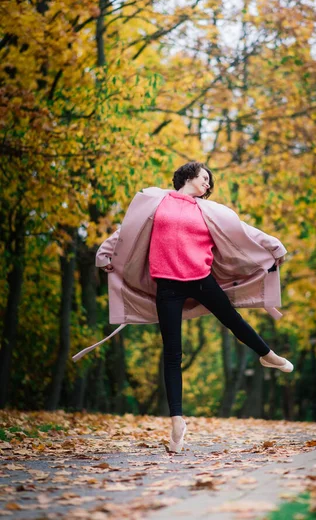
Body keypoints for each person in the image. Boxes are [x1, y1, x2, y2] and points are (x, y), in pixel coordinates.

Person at [73, 162, 293, 453]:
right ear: (189, 176)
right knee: (172, 353)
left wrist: (274, 245)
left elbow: (242, 230)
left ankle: (268, 355)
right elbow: (128, 229)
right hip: (167, 286)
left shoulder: (208, 210)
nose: (207, 185)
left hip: (201, 280)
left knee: (232, 320)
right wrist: (104, 253)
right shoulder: (157, 201)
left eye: (209, 182)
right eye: (204, 178)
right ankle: (177, 422)